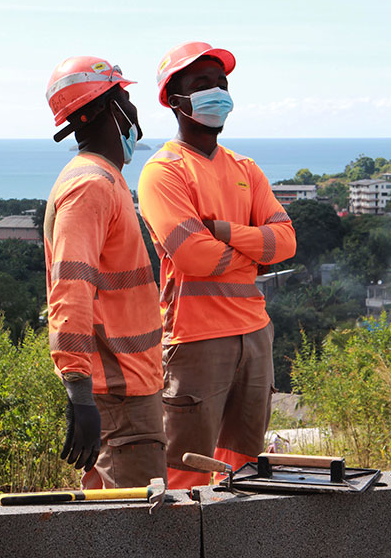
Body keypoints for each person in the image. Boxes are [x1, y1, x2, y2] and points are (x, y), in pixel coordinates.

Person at [138, 41, 297, 488]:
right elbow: (193, 256)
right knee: (186, 471)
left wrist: (224, 232)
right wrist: (254, 253)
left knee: (243, 471)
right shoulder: (164, 171)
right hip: (195, 340)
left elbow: (286, 241)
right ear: (174, 99)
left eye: (222, 84)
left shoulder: (246, 167)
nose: (218, 93)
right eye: (203, 84)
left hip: (254, 334)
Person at [43, 56, 166, 489]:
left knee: (110, 524)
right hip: (119, 392)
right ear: (104, 111)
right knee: (140, 530)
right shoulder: (91, 185)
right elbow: (70, 291)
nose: (134, 113)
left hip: (125, 386)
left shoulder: (104, 180)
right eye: (126, 100)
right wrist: (79, 389)